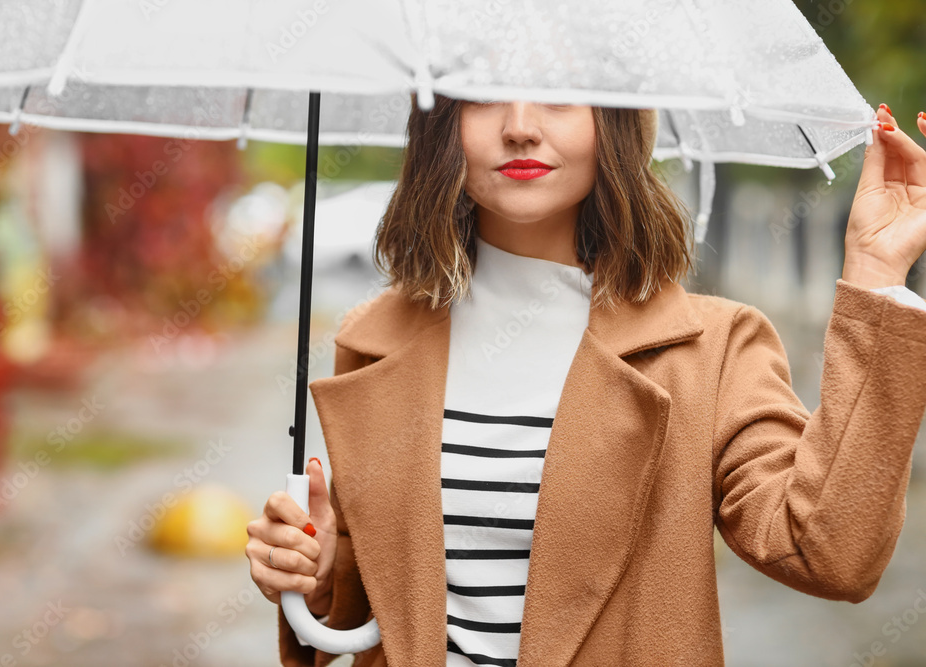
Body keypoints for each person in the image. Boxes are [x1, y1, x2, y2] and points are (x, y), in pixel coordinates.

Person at [246, 97, 926, 666]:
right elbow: (383, 615)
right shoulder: (373, 340)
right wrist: (322, 563)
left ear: (616, 120)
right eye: (483, 93)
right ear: (440, 123)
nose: (518, 124)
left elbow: (828, 552)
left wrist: (874, 275)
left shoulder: (712, 348)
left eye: (558, 94)